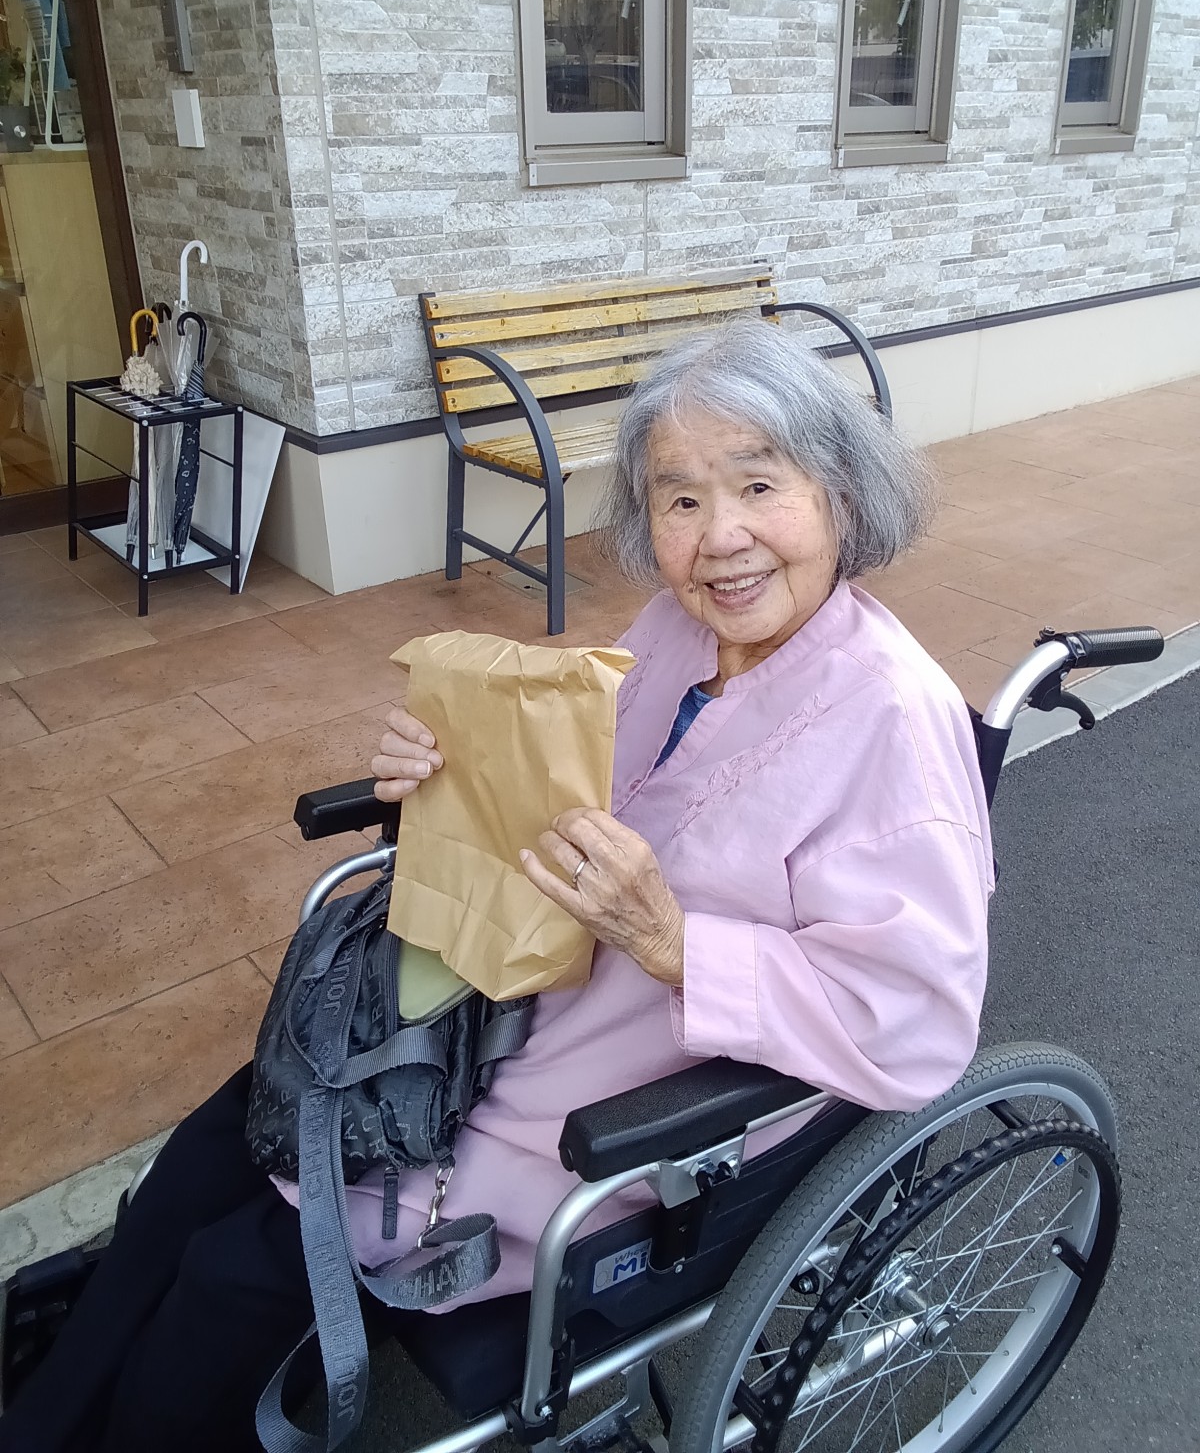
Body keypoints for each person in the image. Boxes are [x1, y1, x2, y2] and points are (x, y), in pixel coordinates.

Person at [0, 318, 992, 1451]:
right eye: (679, 499)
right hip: (493, 1006)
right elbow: (556, 788)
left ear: (842, 498)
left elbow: (915, 1023)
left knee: (234, 1274)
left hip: (605, 1101)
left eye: (759, 485)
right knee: (208, 1153)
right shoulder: (678, 633)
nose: (721, 538)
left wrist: (672, 942)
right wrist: (441, 773)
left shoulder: (892, 726)